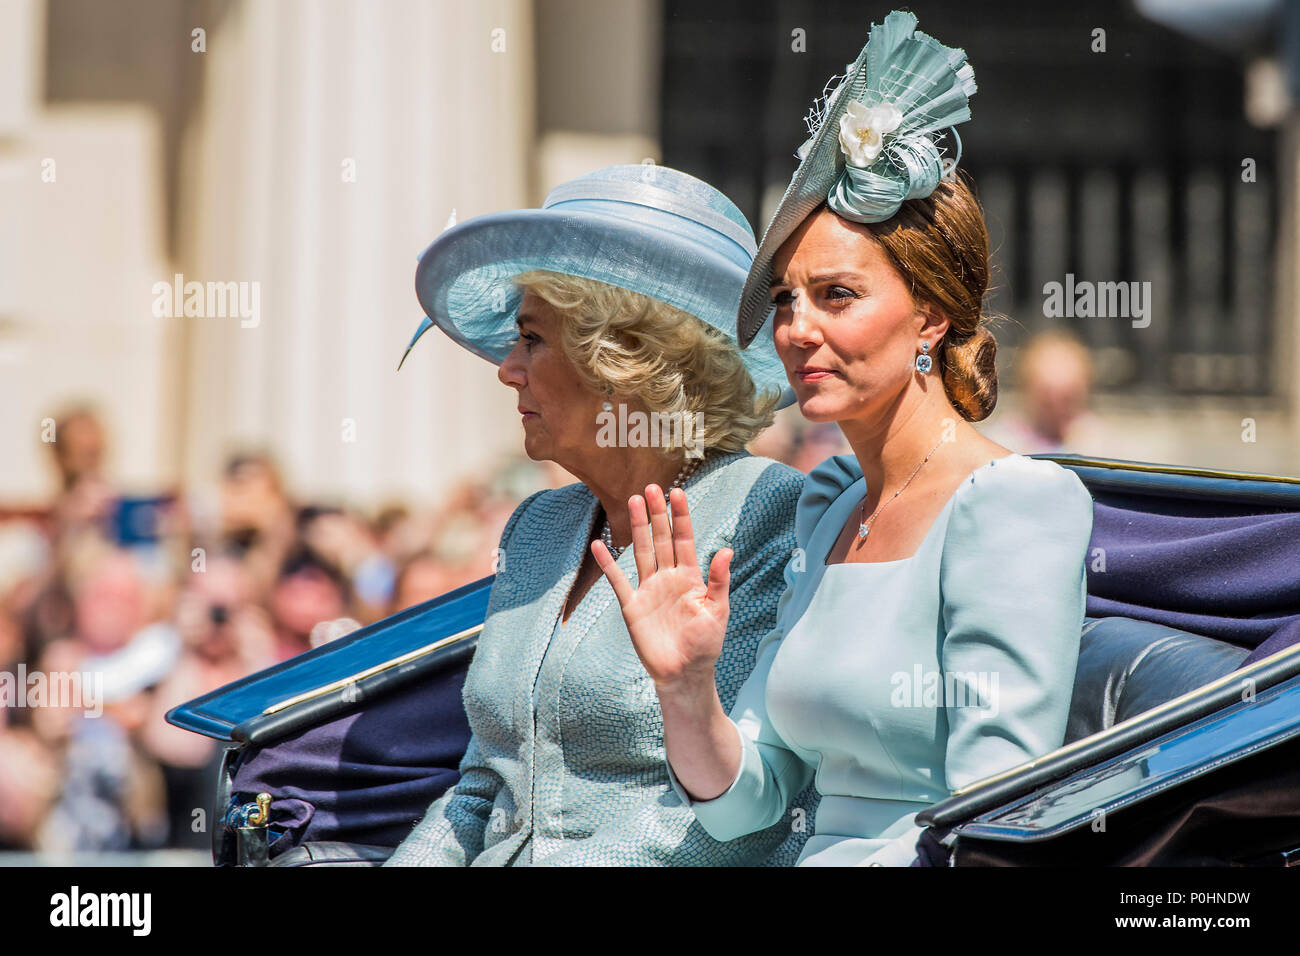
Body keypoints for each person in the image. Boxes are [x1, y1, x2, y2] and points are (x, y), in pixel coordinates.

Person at [595, 10, 1095, 867]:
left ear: (930, 315)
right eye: (787, 301)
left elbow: (996, 827)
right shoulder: (829, 504)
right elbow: (745, 805)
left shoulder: (1015, 503)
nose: (795, 330)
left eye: (836, 296)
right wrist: (684, 690)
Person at [385, 164, 815, 866]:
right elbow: (480, 790)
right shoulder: (539, 527)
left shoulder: (765, 512)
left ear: (623, 361)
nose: (507, 369)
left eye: (531, 339)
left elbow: (745, 820)